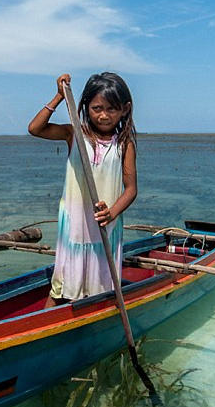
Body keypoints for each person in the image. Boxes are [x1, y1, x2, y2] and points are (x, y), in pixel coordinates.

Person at [28, 72, 138, 306]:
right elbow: (35, 128)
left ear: (125, 109)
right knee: (62, 285)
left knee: (101, 285)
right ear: (86, 107)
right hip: (75, 223)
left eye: (112, 109)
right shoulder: (74, 134)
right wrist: (59, 97)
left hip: (105, 225)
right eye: (97, 108)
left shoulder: (124, 144)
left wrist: (113, 213)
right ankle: (48, 325)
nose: (104, 115)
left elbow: (130, 190)